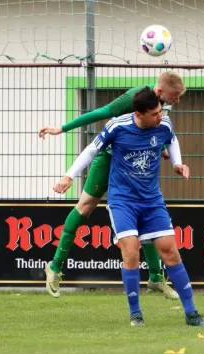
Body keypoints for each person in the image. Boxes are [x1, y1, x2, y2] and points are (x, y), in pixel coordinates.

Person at [53, 87, 204, 328]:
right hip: (123, 201)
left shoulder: (164, 124)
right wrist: (69, 176)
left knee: (170, 250)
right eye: (155, 113)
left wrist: (178, 164)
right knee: (130, 251)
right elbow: (91, 150)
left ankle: (192, 313)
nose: (160, 116)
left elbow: (171, 140)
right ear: (139, 114)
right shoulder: (117, 126)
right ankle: (136, 314)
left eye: (161, 111)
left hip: (151, 200)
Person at [39, 71, 186, 299]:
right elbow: (102, 113)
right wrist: (63, 128)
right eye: (175, 96)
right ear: (160, 92)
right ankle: (55, 266)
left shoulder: (160, 110)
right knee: (84, 207)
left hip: (135, 166)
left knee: (145, 213)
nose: (177, 100)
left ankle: (156, 278)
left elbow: (168, 135)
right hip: (109, 159)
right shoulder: (134, 98)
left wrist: (170, 156)